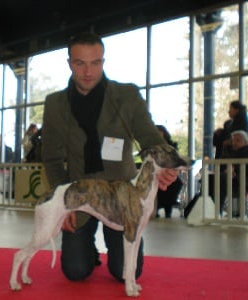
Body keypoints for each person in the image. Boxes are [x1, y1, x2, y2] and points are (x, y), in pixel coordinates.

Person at [41, 32, 177, 283]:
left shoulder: (127, 96)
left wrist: (167, 166)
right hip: (80, 192)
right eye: (80, 63)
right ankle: (86, 245)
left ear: (103, 61)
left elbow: (151, 140)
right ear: (69, 63)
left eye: (96, 62)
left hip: (122, 196)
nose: (88, 72)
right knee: (76, 271)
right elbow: (51, 159)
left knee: (125, 272)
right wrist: (63, 204)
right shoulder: (55, 104)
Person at [155, 125, 183, 218]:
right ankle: (157, 207)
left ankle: (168, 207)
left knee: (176, 183)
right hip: (157, 172)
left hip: (169, 170)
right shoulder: (153, 147)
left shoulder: (172, 146)